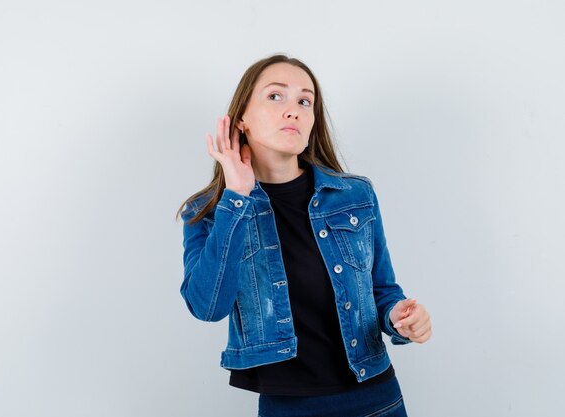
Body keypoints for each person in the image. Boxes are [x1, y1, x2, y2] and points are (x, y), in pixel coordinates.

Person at [177, 54, 432, 417]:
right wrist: (236, 196)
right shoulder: (207, 212)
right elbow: (207, 306)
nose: (293, 110)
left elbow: (382, 291)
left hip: (376, 398)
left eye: (304, 101)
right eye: (275, 96)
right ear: (242, 119)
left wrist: (402, 318)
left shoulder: (354, 196)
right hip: (288, 407)